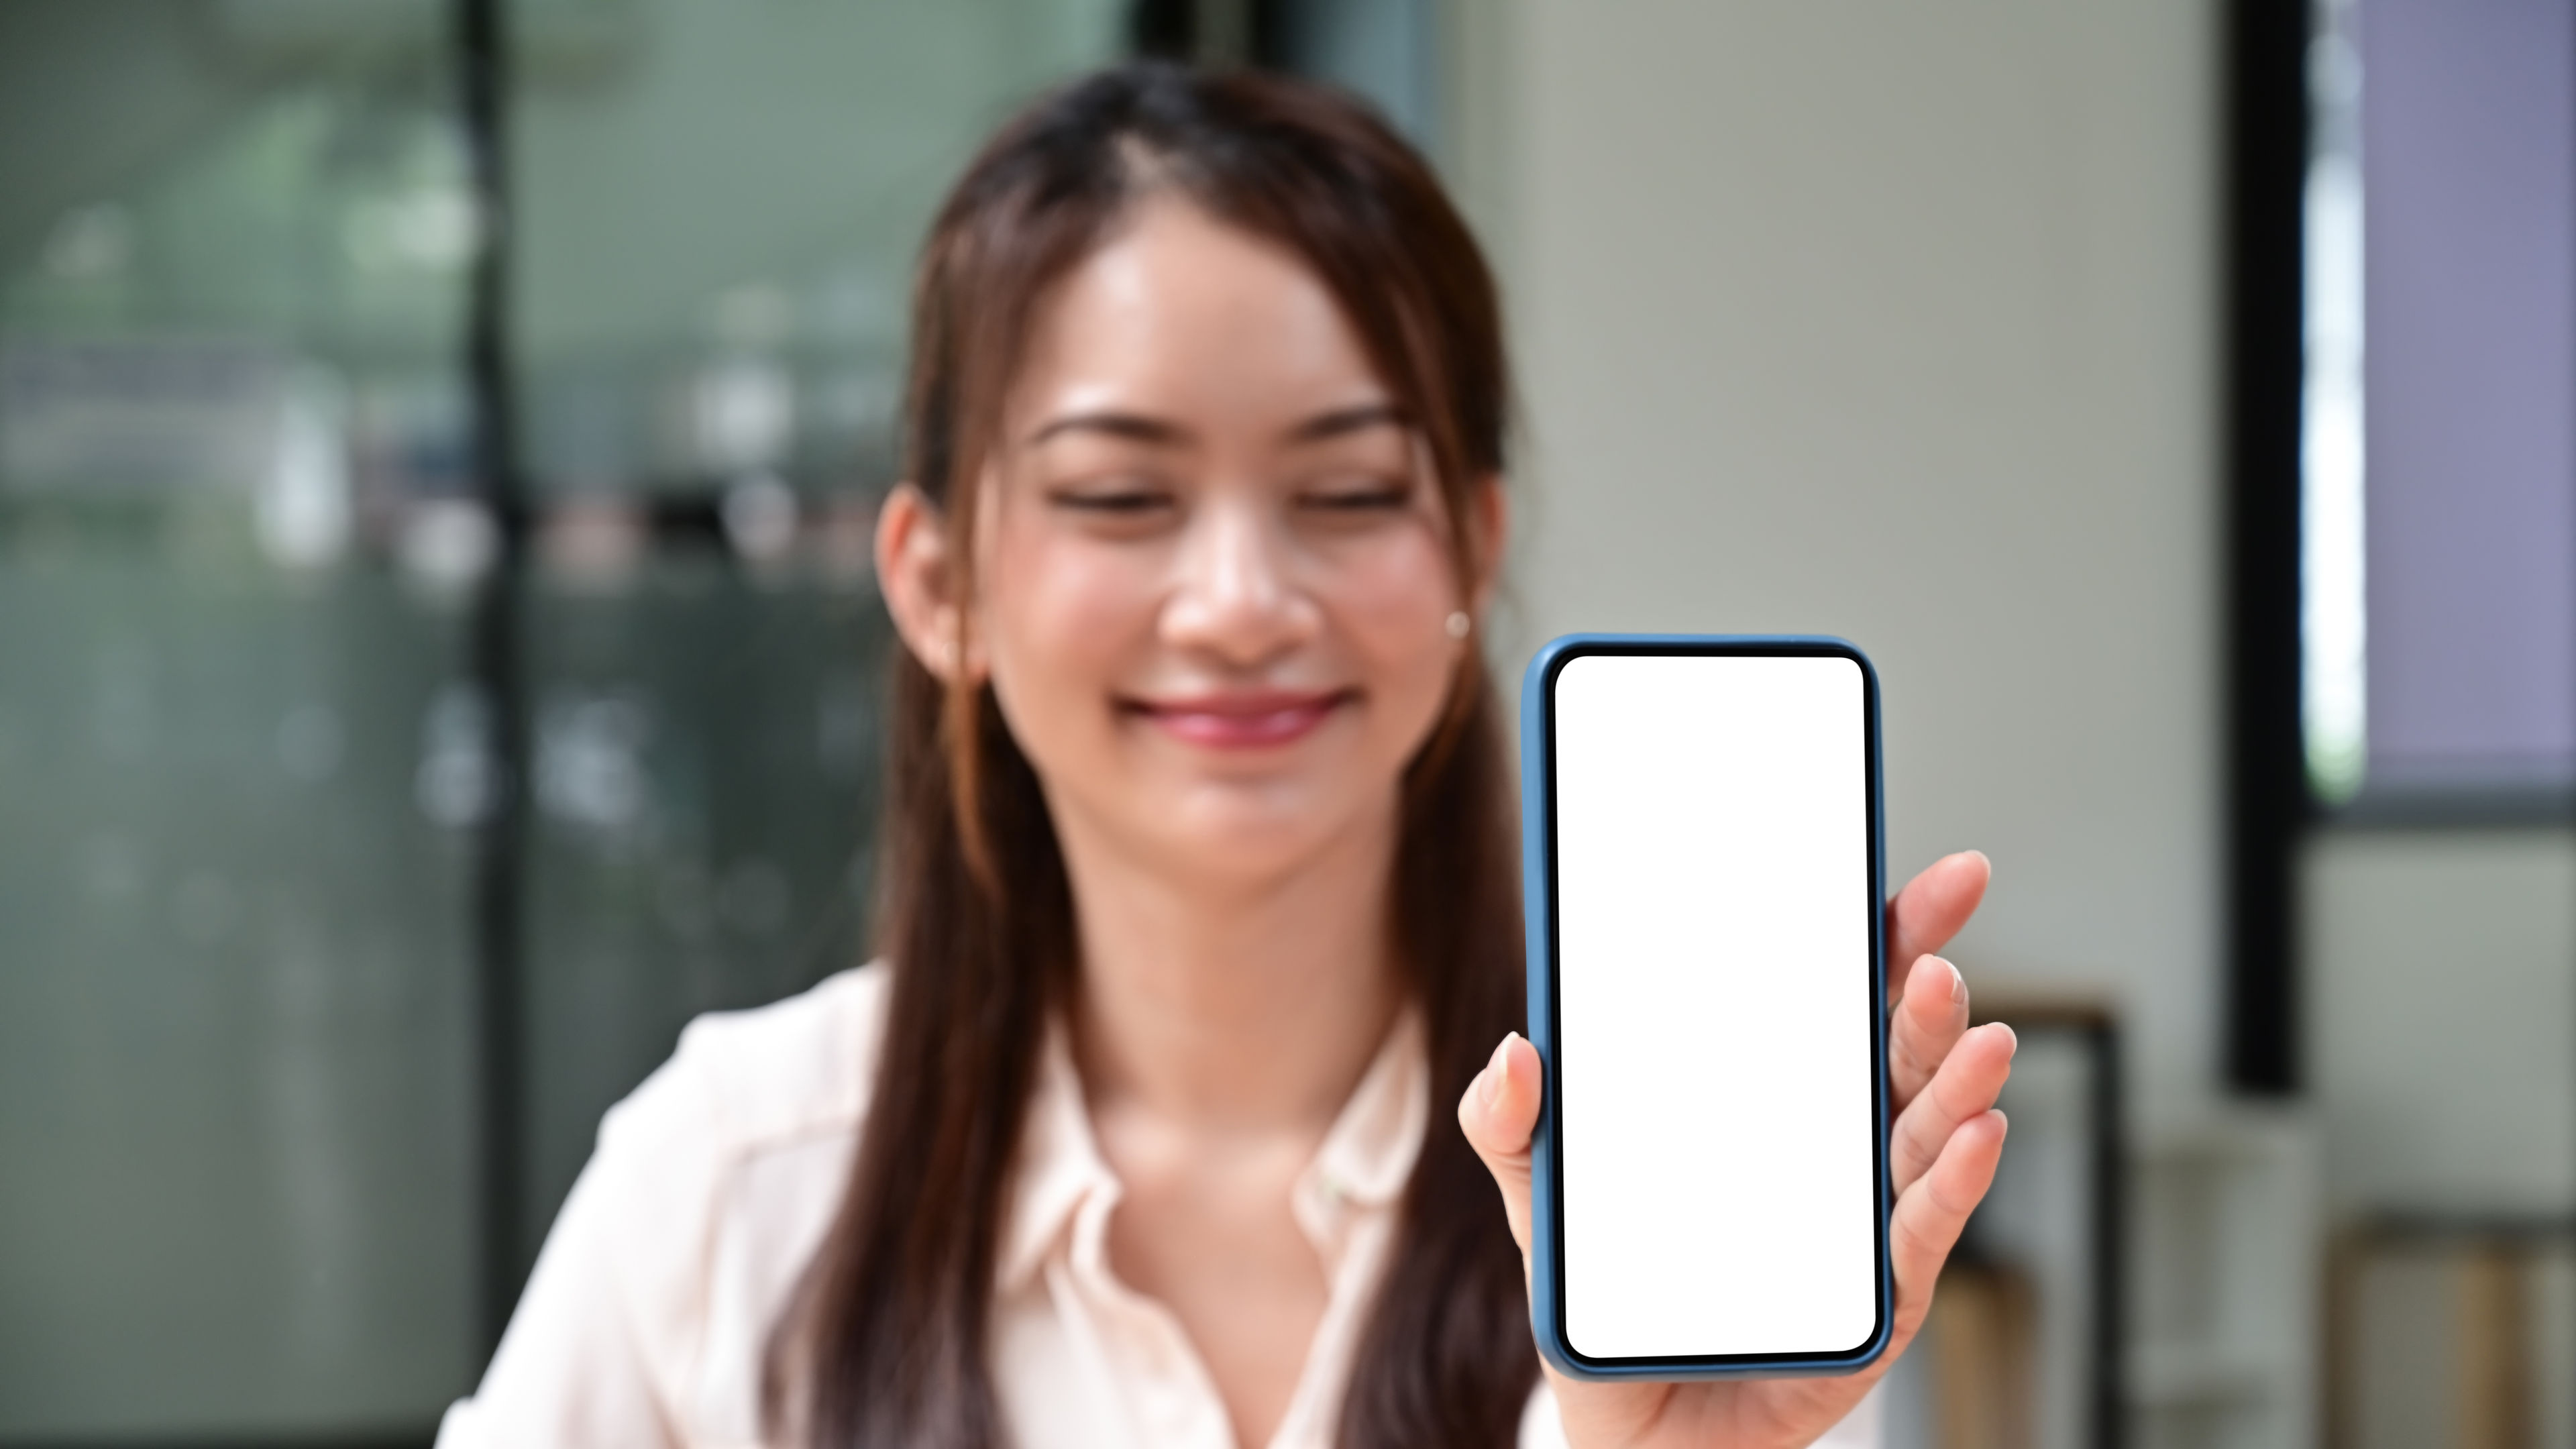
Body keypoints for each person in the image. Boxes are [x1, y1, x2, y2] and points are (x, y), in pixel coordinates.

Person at [436, 62, 2015, 1449]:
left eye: (1345, 496)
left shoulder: (1663, 1204)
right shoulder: (727, 1187)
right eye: (1122, 498)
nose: (1245, 604)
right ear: (938, 582)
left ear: (1472, 550)